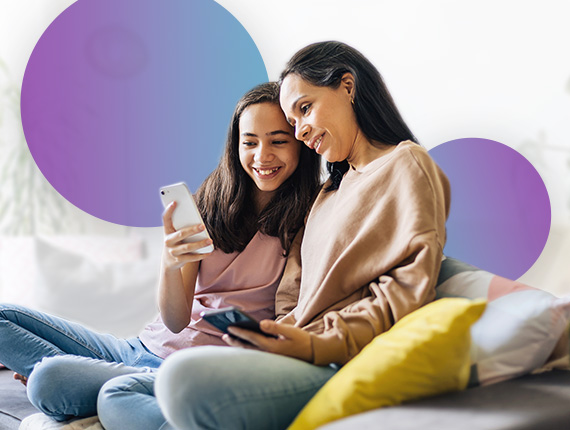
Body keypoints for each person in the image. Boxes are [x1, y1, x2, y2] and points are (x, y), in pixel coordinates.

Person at [153, 41, 452, 430]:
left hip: (332, 357)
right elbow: (294, 293)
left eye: (305, 109)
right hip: (290, 351)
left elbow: (405, 293)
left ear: (348, 87)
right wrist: (275, 334)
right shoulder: (330, 192)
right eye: (294, 123)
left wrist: (312, 344)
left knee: (175, 381)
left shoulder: (405, 165)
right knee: (122, 393)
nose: (302, 130)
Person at [0, 82, 321, 423]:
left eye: (278, 141)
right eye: (250, 142)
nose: (262, 156)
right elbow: (176, 319)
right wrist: (169, 264)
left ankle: (90, 383)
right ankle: (97, 380)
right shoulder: (210, 202)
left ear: (300, 145)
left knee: (49, 380)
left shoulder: (309, 219)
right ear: (235, 145)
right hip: (138, 349)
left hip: (188, 369)